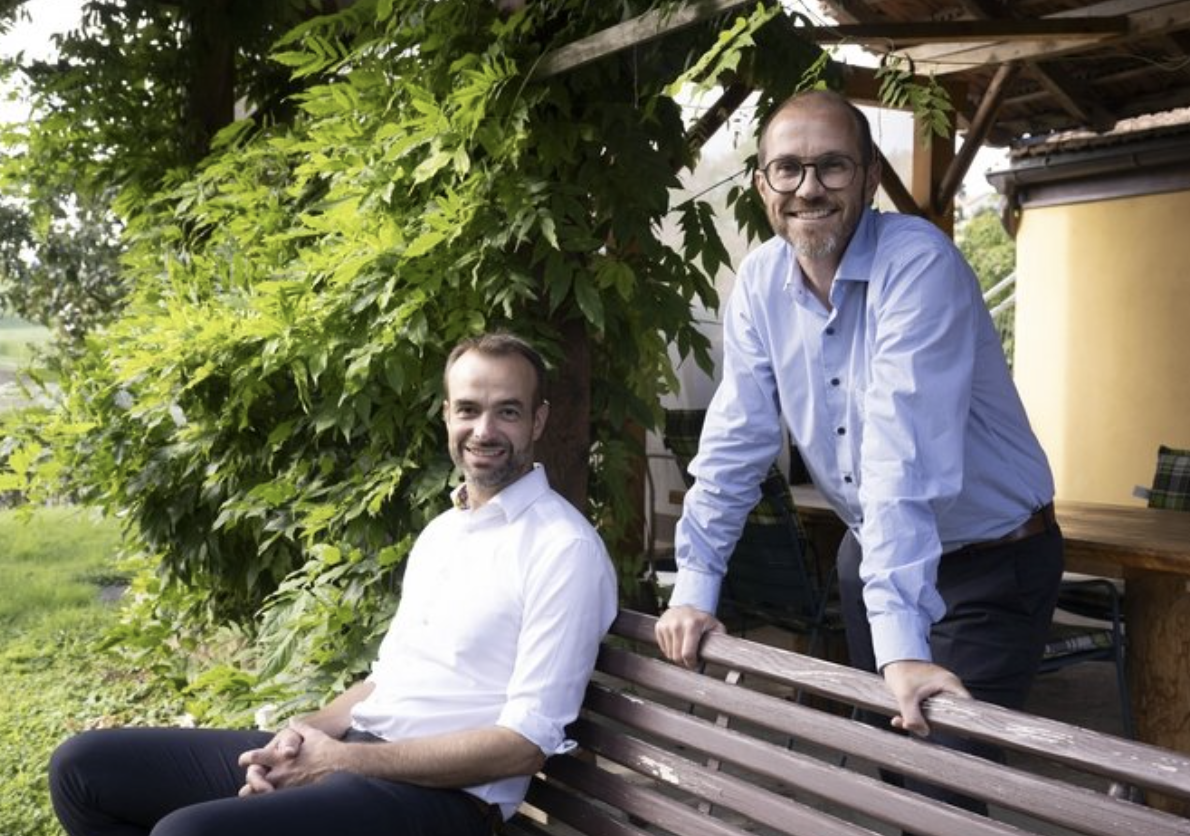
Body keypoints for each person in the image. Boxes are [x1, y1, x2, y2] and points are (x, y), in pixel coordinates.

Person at [655, 90, 1063, 805]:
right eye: (788, 169)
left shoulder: (919, 265)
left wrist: (903, 649)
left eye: (832, 167)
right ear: (763, 186)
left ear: (870, 178)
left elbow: (899, 456)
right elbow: (735, 444)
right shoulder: (758, 285)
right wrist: (693, 590)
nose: (808, 187)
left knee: (944, 783)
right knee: (894, 768)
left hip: (994, 562)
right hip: (873, 551)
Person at [50, 332, 619, 836]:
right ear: (447, 415)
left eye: (508, 412)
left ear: (539, 421)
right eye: (468, 409)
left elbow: (522, 747)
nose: (484, 430)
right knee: (84, 769)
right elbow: (384, 682)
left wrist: (340, 763)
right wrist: (298, 736)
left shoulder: (562, 551)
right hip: (353, 758)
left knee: (188, 832)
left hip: (446, 804)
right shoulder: (446, 532)